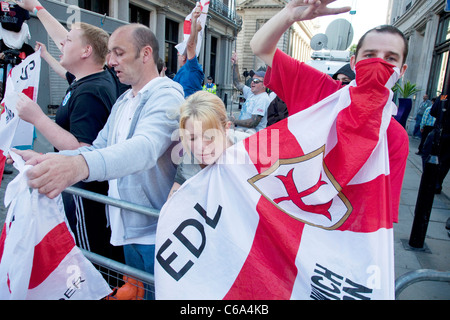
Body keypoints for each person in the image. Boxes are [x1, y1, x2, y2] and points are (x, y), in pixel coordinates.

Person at [13, 23, 185, 299]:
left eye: (119, 52)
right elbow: (97, 148)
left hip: (155, 233)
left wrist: (77, 166)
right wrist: (49, 158)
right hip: (127, 226)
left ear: (145, 53)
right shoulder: (123, 100)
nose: (111, 60)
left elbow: (145, 148)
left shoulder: (167, 95)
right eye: (110, 53)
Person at [250, 0, 409, 222]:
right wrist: (288, 15)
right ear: (353, 63)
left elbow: (380, 214)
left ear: (401, 70)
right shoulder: (320, 90)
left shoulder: (395, 137)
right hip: (283, 222)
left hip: (335, 238)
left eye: (390, 58)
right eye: (370, 55)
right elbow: (260, 48)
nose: (378, 64)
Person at [14, 1, 123, 264]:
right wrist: (38, 8)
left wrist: (38, 118)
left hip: (86, 192)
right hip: (79, 187)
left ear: (86, 51)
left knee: (90, 259)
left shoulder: (90, 92)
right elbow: (66, 41)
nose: (62, 43)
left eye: (69, 40)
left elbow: (80, 149)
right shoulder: (88, 79)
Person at [167, 91, 249, 198]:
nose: (200, 147)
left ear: (226, 128)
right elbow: (173, 204)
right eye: (192, 138)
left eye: (209, 137)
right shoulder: (188, 162)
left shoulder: (251, 150)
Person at [231, 52, 271, 133]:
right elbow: (237, 83)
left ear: (264, 85)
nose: (252, 82)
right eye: (252, 80)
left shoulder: (263, 99)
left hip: (252, 138)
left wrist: (234, 121)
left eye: (256, 81)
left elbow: (253, 123)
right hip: (242, 133)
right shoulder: (251, 93)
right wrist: (235, 64)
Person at [173, 3, 204, 98]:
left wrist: (194, 19)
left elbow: (191, 45)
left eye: (178, 55)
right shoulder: (185, 69)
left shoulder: (191, 66)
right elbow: (193, 44)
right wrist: (196, 31)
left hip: (190, 108)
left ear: (183, 57)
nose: (177, 58)